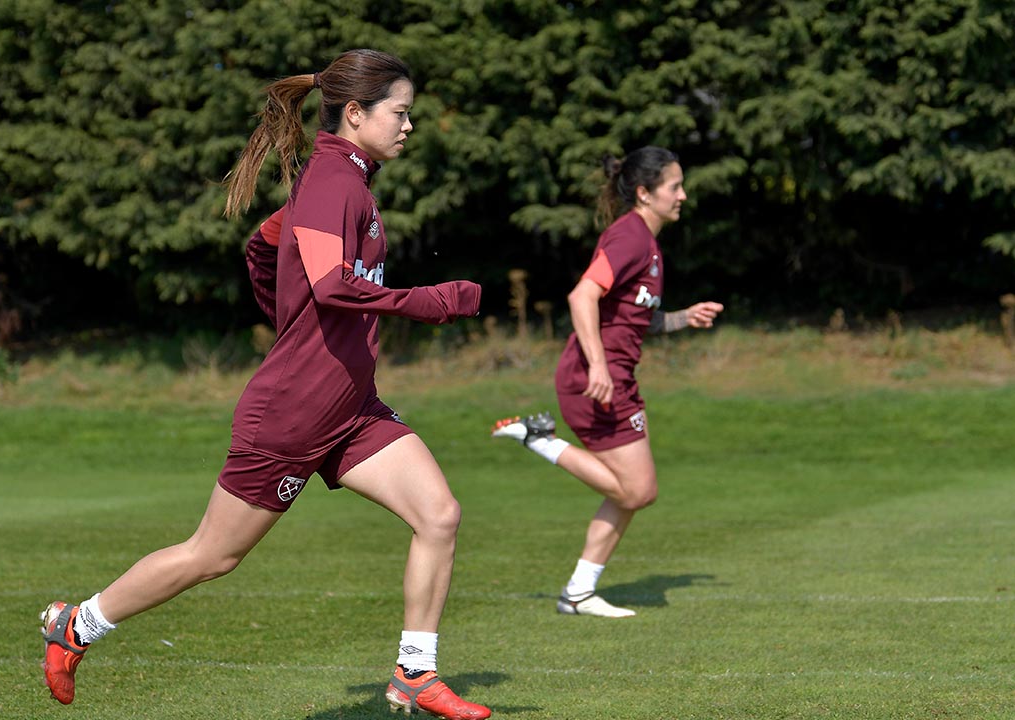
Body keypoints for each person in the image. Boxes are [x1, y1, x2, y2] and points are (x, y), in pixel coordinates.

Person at [39, 49, 492, 719]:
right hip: (292, 415)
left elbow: (264, 245)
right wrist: (433, 301)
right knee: (213, 556)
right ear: (358, 113)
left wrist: (285, 311)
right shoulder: (334, 181)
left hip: (351, 410)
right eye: (401, 113)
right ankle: (77, 624)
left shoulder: (346, 182)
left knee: (439, 514)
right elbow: (336, 287)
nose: (409, 127)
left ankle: (413, 674)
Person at [491, 146, 723, 618]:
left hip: (615, 377)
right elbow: (582, 297)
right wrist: (597, 365)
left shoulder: (648, 245)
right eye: (674, 186)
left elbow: (636, 321)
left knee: (629, 493)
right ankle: (541, 440)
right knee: (637, 491)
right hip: (593, 379)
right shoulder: (631, 237)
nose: (683, 195)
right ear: (644, 192)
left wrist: (683, 319)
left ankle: (578, 592)